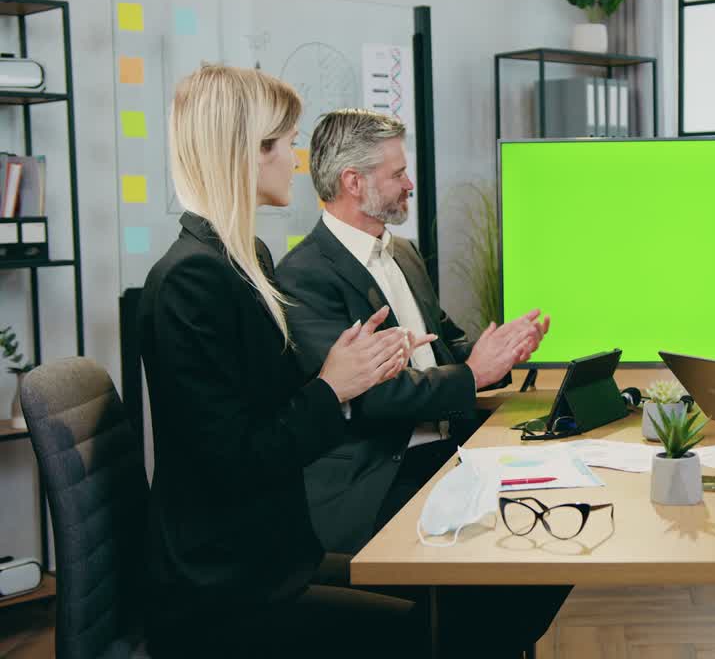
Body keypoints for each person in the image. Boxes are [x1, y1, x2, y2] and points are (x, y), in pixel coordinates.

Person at [140, 65, 433, 657]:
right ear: (248, 153)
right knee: (427, 629)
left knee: (443, 600)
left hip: (270, 556)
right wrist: (334, 387)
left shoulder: (244, 261)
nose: (297, 160)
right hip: (226, 591)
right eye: (288, 142)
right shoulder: (191, 280)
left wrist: (360, 372)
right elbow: (237, 460)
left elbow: (273, 410)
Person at [274, 108, 568, 656]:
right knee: (524, 544)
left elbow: (444, 344)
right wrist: (474, 372)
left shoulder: (402, 254)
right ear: (353, 183)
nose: (410, 183)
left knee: (555, 524)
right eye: (398, 173)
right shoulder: (304, 276)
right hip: (379, 476)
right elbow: (369, 396)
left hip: (442, 456)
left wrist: (496, 352)